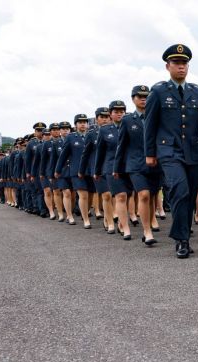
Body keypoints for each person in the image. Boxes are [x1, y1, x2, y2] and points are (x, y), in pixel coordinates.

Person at [144, 43, 198, 258]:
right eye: (176, 63)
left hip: (193, 152)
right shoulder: (159, 91)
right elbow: (149, 125)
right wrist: (149, 153)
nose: (181, 67)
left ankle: (184, 236)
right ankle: (181, 239)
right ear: (167, 66)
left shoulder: (196, 92)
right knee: (180, 190)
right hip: (168, 152)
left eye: (184, 63)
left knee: (189, 197)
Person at [115, 85, 161, 245]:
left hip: (156, 164)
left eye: (146, 96)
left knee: (152, 197)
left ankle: (149, 223)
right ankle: (147, 231)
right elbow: (122, 145)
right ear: (133, 99)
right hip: (135, 165)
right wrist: (117, 168)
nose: (143, 99)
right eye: (139, 96)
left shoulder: (157, 116)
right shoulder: (127, 120)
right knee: (143, 195)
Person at [94, 101, 126, 236]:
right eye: (116, 112)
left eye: (121, 111)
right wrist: (96, 171)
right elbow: (100, 152)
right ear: (111, 114)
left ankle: (122, 223)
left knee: (122, 197)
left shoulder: (129, 126)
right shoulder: (104, 130)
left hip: (125, 167)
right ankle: (110, 221)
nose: (119, 114)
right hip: (108, 166)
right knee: (107, 196)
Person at [55, 114, 90, 226]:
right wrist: (57, 169)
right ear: (75, 125)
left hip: (89, 170)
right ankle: (74, 217)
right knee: (73, 194)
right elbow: (63, 155)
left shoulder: (92, 135)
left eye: (85, 122)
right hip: (74, 170)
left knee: (87, 195)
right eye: (80, 122)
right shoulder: (71, 137)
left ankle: (84, 213)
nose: (83, 124)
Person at [79, 107, 110, 225]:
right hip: (97, 169)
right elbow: (85, 154)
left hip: (112, 167)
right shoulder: (92, 134)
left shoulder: (116, 131)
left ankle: (108, 218)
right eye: (102, 117)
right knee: (106, 194)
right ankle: (106, 220)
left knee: (113, 196)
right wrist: (82, 171)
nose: (105, 119)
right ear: (97, 119)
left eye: (107, 117)